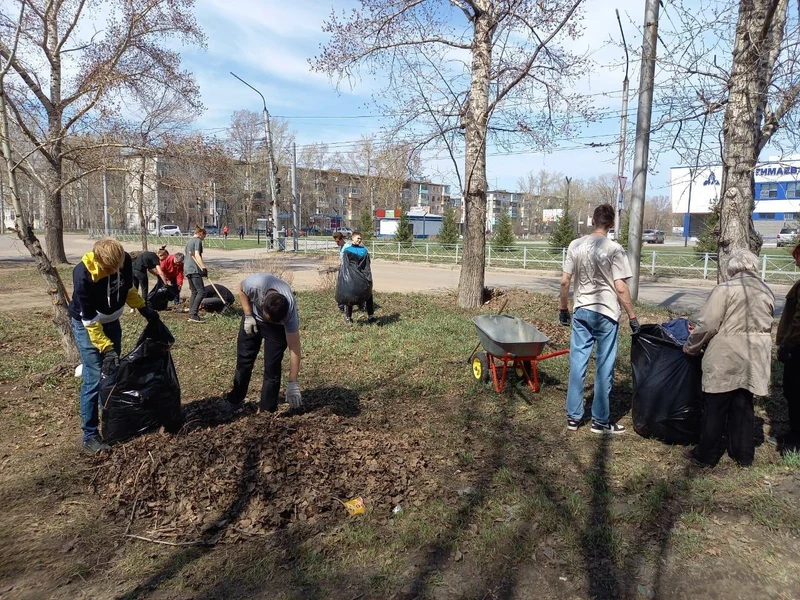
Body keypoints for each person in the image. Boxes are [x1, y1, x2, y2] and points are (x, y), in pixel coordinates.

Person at [683, 248, 774, 468]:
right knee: (743, 403)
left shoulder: (725, 289)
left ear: (732, 269)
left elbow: (708, 324)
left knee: (716, 404)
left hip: (726, 352)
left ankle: (706, 454)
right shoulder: (766, 290)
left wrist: (691, 347)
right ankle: (744, 455)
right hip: (756, 353)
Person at [68, 238, 160, 453]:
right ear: (99, 260)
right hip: (88, 324)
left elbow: (127, 288)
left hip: (111, 321)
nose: (113, 271)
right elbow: (89, 320)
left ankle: (112, 423)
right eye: (109, 268)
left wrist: (143, 308)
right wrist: (106, 348)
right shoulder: (83, 274)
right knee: (94, 377)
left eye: (116, 267)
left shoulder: (124, 260)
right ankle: (90, 435)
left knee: (112, 374)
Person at [559, 203, 638, 434]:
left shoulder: (575, 245)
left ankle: (573, 418)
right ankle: (600, 421)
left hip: (582, 311)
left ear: (593, 220)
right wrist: (632, 316)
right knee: (604, 366)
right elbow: (620, 287)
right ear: (611, 224)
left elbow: (564, 281)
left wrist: (563, 308)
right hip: (606, 313)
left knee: (577, 363)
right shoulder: (614, 249)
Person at [225, 273, 303, 413]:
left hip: (277, 330)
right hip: (253, 318)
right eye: (270, 319)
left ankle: (267, 410)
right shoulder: (255, 284)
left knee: (272, 366)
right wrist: (248, 314)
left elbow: (294, 348)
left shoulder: (289, 313)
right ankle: (235, 400)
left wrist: (293, 382)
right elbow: (241, 289)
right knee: (244, 360)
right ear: (262, 305)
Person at [774, 243, 800, 448]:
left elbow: (798, 320)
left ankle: (795, 438)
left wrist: (786, 344)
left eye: (798, 257)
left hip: (797, 348)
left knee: (794, 391)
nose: (796, 263)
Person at [341, 231, 376, 324]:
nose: (359, 240)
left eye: (361, 238)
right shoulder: (348, 251)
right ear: (352, 238)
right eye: (358, 238)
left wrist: (367, 277)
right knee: (349, 296)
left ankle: (371, 316)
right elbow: (345, 266)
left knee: (368, 295)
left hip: (363, 277)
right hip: (351, 278)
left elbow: (367, 265)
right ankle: (348, 317)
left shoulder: (364, 250)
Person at [184, 225, 208, 323]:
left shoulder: (189, 241)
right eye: (204, 236)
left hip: (187, 269)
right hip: (194, 269)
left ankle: (191, 313)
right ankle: (194, 314)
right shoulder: (197, 241)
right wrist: (203, 268)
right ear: (201, 233)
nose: (203, 239)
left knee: (194, 292)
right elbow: (197, 255)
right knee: (201, 291)